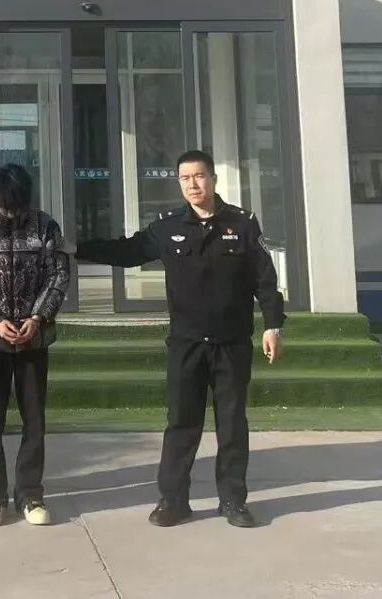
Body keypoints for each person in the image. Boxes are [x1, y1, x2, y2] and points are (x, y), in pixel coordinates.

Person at [70, 149, 284, 530]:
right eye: (185, 178)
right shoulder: (169, 226)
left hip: (232, 343)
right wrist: (78, 249)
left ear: (213, 178)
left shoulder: (242, 224)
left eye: (199, 176)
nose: (192, 184)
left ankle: (232, 501)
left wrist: (273, 325)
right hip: (186, 344)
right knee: (181, 424)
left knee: (232, 424)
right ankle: (173, 501)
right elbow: (129, 250)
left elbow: (264, 280)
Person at [0, 163, 69, 528]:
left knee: (34, 420)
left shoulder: (45, 226)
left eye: (18, 207)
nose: (12, 213)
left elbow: (58, 275)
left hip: (34, 341)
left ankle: (30, 494)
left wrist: (38, 317)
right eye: (6, 206)